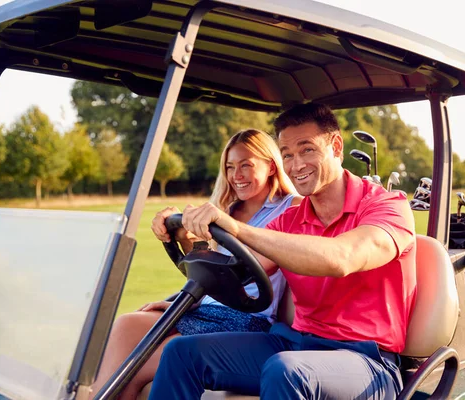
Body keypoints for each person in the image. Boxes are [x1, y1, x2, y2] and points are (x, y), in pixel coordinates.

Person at [148, 103, 417, 400]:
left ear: (336, 146)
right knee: (181, 353)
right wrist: (187, 239)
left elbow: (343, 257)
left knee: (286, 370)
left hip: (366, 361)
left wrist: (237, 228)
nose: (296, 165)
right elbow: (235, 273)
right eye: (287, 154)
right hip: (294, 343)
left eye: (307, 150)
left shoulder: (388, 207)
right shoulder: (290, 220)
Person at [89, 129, 301, 400]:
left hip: (248, 318)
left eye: (246, 165)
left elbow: (245, 273)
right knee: (126, 325)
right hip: (205, 309)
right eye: (230, 167)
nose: (236, 175)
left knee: (137, 366)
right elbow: (209, 268)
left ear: (271, 166)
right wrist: (182, 240)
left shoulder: (291, 208)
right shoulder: (226, 209)